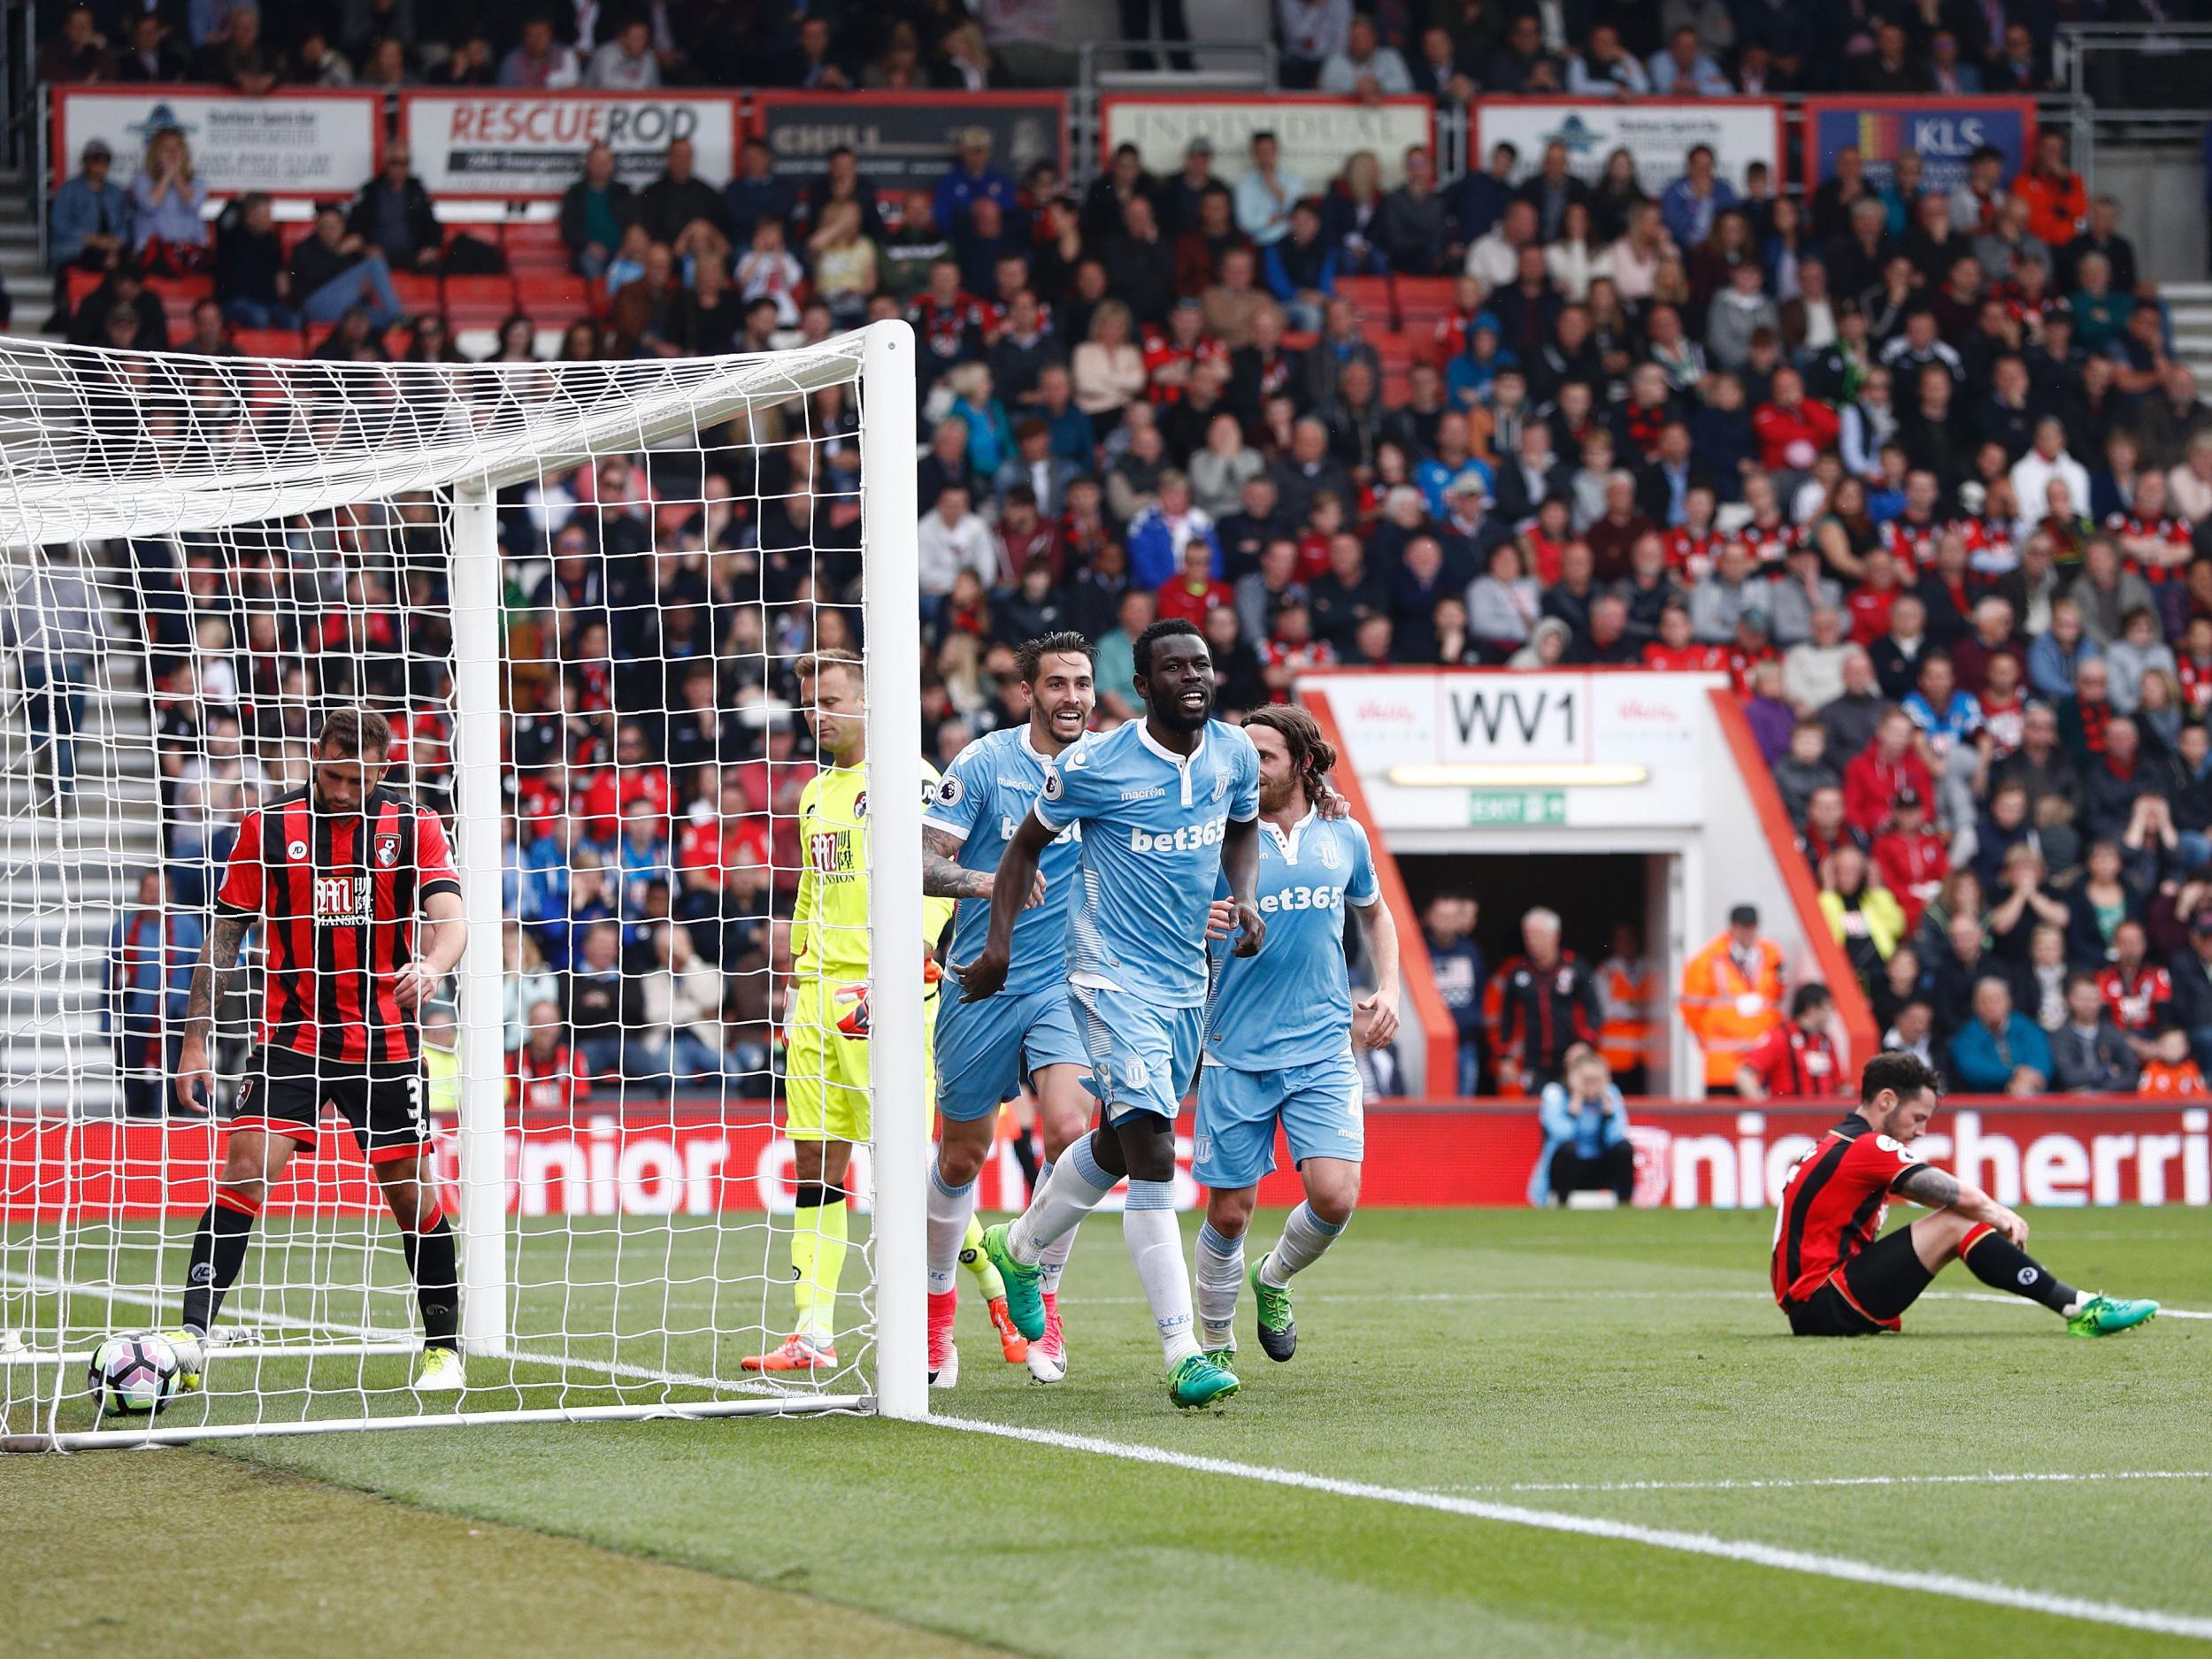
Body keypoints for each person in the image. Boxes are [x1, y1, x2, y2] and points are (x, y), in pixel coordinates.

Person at [966, 618, 1265, 1410]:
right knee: (1155, 1151)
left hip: (1184, 985)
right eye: (1175, 667)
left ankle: (1019, 1245)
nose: (1193, 677)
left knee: (1118, 1142)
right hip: (1107, 980)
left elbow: (1241, 830)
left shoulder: (1234, 753)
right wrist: (997, 948)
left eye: (1201, 664)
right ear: (1140, 683)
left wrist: (1247, 898)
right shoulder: (1096, 763)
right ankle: (1181, 1350)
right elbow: (1024, 847)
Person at [165, 710, 470, 1392]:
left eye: (356, 778)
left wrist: (432, 966)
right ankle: (191, 1338)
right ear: (314, 757)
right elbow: (224, 938)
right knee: (245, 1168)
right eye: (331, 774)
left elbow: (450, 919)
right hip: (292, 1036)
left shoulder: (413, 824)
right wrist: (194, 1041)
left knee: (408, 1191)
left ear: (382, 770)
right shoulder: (268, 826)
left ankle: (444, 1347)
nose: (340, 790)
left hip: (384, 1041)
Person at [743, 655, 959, 1374]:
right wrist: (798, 972)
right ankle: (813, 1330)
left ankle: (990, 1272)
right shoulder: (814, 792)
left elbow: (941, 875)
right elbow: (811, 884)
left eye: (831, 700)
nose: (818, 714)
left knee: (899, 1160)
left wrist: (916, 949)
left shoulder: (913, 780)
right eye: (810, 703)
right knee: (814, 1158)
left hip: (881, 991)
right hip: (816, 997)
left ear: (871, 702)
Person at [922, 634, 1103, 1386]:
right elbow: (924, 865)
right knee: (963, 1154)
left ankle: (1040, 1287)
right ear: (1027, 692)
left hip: (1065, 982)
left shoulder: (1110, 766)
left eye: (1083, 683)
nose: (1072, 697)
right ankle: (935, 1320)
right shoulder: (983, 765)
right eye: (1056, 683)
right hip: (980, 981)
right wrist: (991, 880)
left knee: (1070, 1132)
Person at [1192, 704, 1397, 1367]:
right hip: (1234, 1049)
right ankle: (1217, 1344)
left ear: (1304, 763)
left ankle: (1273, 1276)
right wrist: (1203, 922)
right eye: (1242, 756)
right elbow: (1172, 913)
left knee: (1335, 1197)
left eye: (1265, 757)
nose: (1249, 768)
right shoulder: (1220, 834)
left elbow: (1375, 912)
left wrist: (1388, 988)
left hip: (1321, 1048)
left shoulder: (1345, 835)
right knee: (1228, 1214)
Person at [1774, 1051, 2156, 1338]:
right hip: (1824, 1303)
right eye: (1918, 1117)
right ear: (1886, 1101)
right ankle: (2082, 1309)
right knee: (1958, 1217)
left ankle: (2079, 1306)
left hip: (1813, 1304)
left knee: (1958, 1219)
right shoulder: (1868, 1146)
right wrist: (2000, 1214)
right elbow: (1955, 1196)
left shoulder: (1838, 1142)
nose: (1920, 1131)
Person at [105, 869, 201, 1120]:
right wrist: (107, 1023)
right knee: (135, 1092)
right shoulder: (122, 929)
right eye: (149, 891)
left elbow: (201, 976)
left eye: (160, 891)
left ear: (170, 894)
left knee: (175, 1092)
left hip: (176, 1024)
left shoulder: (188, 927)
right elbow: (109, 979)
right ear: (139, 893)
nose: (154, 897)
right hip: (136, 1023)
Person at [1678, 904, 1786, 1095]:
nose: (1747, 932)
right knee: (1722, 1123)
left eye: (1751, 927)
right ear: (1732, 927)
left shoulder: (1772, 956)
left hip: (1761, 1062)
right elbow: (1691, 1008)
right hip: (1723, 1064)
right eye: (1742, 927)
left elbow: (1778, 998)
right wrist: (1712, 1034)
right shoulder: (1707, 960)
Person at [1494, 907, 1601, 1092]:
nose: (1533, 942)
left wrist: (1584, 1044)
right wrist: (1505, 1058)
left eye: (1539, 935)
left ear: (1555, 935)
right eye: (1528, 936)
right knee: (1534, 1112)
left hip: (1571, 1059)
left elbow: (1595, 1011)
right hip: (1534, 1061)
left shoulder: (1576, 968)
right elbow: (1507, 1020)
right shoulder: (1519, 973)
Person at [1530, 1043, 1633, 1204]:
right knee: (1568, 1149)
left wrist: (1608, 1115)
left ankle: (1624, 1202)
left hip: (1598, 1164)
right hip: (1568, 1168)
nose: (1590, 1083)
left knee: (1624, 1149)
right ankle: (1561, 1203)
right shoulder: (1555, 1093)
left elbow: (1618, 1135)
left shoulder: (1610, 1093)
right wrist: (1574, 1109)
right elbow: (1561, 1133)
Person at [1736, 984, 1844, 1102]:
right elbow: (1744, 1075)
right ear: (1811, 1009)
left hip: (1824, 1117)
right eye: (1828, 1007)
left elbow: (1839, 1085)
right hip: (1790, 1117)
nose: (1831, 1014)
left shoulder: (1825, 1042)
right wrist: (1762, 1109)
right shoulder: (1781, 1037)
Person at [1948, 974, 2051, 1094]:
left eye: (1996, 1000)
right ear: (1975, 1005)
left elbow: (2042, 1060)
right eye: (1984, 1001)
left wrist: (2030, 1077)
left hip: (2029, 1093)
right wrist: (2014, 1073)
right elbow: (1973, 1070)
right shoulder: (1966, 1036)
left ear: (2009, 1002)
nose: (1991, 1006)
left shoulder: (2027, 1027)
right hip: (1985, 1099)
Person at [2049, 972, 2139, 1094]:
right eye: (2082, 999)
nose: (2087, 1004)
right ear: (2069, 999)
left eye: (2093, 999)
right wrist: (2106, 1071)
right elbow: (2067, 1076)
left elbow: (2132, 1075)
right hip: (2070, 1106)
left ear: (2101, 1001)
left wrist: (2099, 1090)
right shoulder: (2060, 1036)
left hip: (2108, 1104)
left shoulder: (2112, 1033)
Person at [1594, 923, 1655, 1094]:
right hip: (1616, 1057)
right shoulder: (1605, 971)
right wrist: (1638, 1007)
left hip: (1647, 1054)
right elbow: (1607, 1010)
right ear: (1613, 943)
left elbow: (1660, 1005)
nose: (1626, 943)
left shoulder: (1651, 967)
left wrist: (1634, 1005)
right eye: (1620, 940)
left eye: (1629, 939)